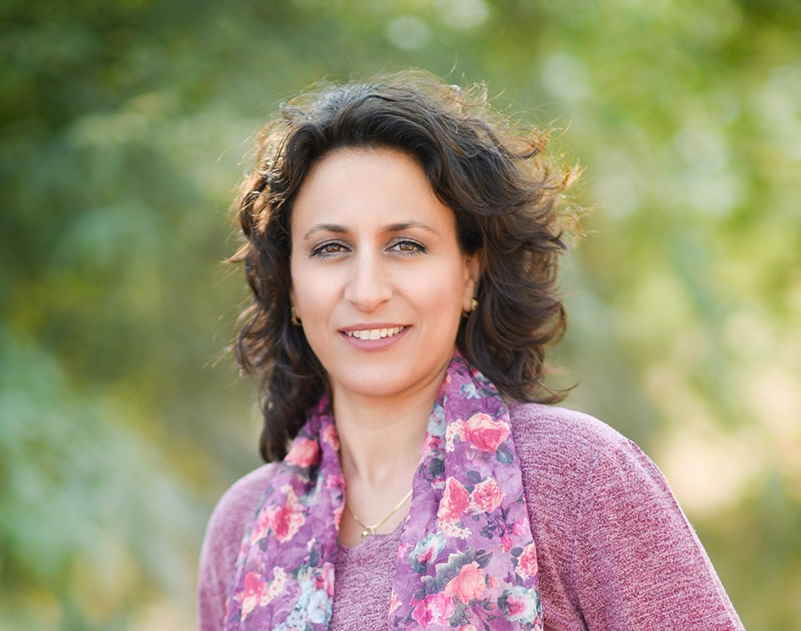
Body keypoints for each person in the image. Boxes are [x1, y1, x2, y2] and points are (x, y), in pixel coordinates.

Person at [197, 71, 745, 630]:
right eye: (331, 248)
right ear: (290, 286)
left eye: (406, 245)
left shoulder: (576, 476)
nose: (366, 291)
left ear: (469, 274)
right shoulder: (243, 526)